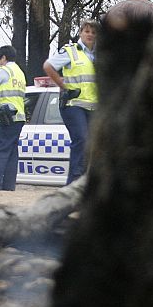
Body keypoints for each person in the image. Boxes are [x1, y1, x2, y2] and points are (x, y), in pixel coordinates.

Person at [43, 20, 98, 184]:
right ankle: (74, 182)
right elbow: (48, 66)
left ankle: (84, 184)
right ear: (80, 33)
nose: (90, 35)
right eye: (87, 31)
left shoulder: (99, 54)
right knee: (81, 139)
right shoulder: (71, 51)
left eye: (93, 32)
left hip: (93, 106)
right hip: (73, 104)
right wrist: (63, 86)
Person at [0, 45, 26, 191]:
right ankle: (8, 186)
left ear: (4, 58)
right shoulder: (19, 72)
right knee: (12, 153)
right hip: (18, 117)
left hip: (4, 118)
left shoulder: (3, 71)